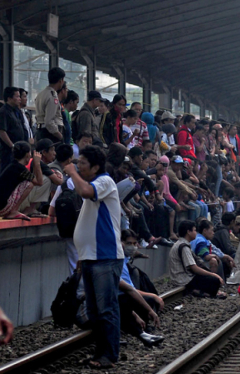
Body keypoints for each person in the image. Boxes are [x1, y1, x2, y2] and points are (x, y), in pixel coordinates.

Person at [62, 145, 123, 369]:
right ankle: (100, 353)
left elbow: (86, 192)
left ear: (96, 167)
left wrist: (71, 172)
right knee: (95, 310)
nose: (78, 166)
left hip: (105, 257)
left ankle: (109, 354)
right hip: (91, 257)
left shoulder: (104, 182)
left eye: (83, 163)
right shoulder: (94, 183)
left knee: (106, 308)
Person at [169, 220, 224, 297]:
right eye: (194, 230)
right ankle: (203, 293)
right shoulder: (184, 247)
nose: (196, 233)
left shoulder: (180, 243)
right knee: (214, 280)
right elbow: (194, 268)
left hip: (182, 276)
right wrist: (213, 274)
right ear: (188, 232)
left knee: (209, 277)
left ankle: (200, 291)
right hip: (184, 278)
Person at [0, 141, 43, 221]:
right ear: (27, 155)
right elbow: (39, 182)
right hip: (2, 207)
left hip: (2, 205)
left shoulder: (13, 165)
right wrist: (37, 164)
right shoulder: (20, 169)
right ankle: (14, 211)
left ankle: (13, 211)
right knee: (29, 184)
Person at [35, 67, 66, 143]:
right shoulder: (52, 96)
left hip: (41, 131)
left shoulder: (41, 94)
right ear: (60, 80)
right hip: (50, 134)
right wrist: (60, 136)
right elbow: (49, 121)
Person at [0, 87, 27, 171]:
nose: (20, 99)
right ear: (9, 98)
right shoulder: (3, 111)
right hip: (9, 151)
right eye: (17, 96)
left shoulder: (17, 111)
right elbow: (2, 131)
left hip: (20, 150)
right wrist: (12, 146)